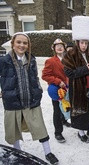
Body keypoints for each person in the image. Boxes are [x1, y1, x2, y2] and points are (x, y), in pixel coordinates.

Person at [0, 32, 58, 164]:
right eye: (18, 42)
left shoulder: (31, 59)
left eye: (25, 43)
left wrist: (37, 90)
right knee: (14, 130)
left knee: (40, 128)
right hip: (12, 102)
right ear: (13, 44)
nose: (22, 45)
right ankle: (17, 151)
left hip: (31, 101)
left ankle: (48, 152)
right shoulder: (4, 61)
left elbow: (34, 78)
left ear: (28, 45)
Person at [62, 16, 89, 143]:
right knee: (79, 110)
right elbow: (70, 73)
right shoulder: (70, 54)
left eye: (86, 43)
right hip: (77, 88)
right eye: (82, 42)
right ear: (77, 42)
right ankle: (81, 132)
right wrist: (87, 69)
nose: (84, 45)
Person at [42, 38, 69, 143]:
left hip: (68, 88)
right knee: (57, 110)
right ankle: (58, 132)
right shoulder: (50, 61)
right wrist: (58, 82)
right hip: (56, 90)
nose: (59, 47)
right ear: (54, 48)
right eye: (57, 46)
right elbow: (45, 75)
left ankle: (64, 120)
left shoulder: (68, 60)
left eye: (61, 45)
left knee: (66, 106)